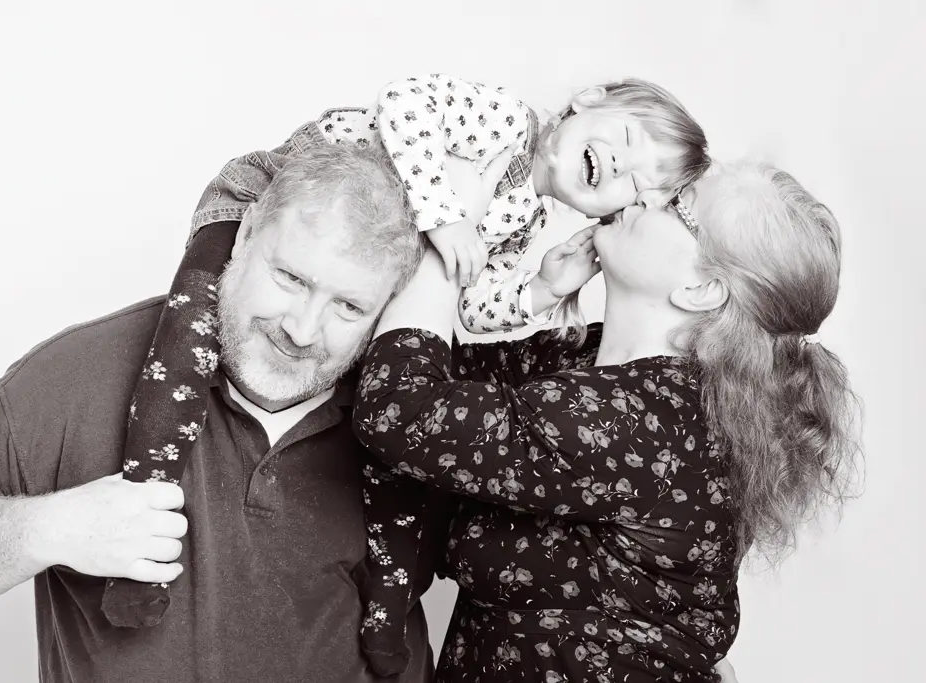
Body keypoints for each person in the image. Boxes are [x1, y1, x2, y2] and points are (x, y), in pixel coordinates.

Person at [0, 142, 434, 683]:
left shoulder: (412, 418)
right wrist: (50, 528)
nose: (301, 329)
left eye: (349, 307)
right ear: (246, 232)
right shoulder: (86, 370)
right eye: (291, 279)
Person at [352, 157, 862, 682]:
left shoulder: (646, 419)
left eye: (677, 204)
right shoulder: (595, 362)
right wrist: (536, 294)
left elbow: (399, 408)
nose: (646, 190)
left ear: (702, 289)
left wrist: (447, 222)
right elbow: (437, 369)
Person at [198, 72, 711, 335]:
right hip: (272, 190)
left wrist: (540, 289)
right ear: (590, 99)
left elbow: (468, 304)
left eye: (637, 184)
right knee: (192, 331)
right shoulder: (507, 123)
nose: (621, 165)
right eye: (626, 137)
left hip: (325, 267)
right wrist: (442, 213)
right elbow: (404, 100)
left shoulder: (523, 221)